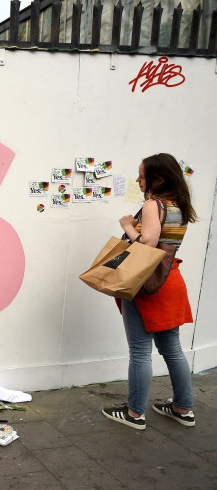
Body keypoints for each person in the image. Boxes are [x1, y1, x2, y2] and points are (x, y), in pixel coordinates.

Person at [102, 153, 197, 430]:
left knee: (141, 352)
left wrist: (128, 226)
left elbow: (147, 243)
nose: (137, 180)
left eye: (142, 176)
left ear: (158, 178)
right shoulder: (179, 204)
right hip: (171, 281)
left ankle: (134, 414)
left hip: (145, 284)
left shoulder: (153, 204)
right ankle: (183, 407)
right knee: (173, 350)